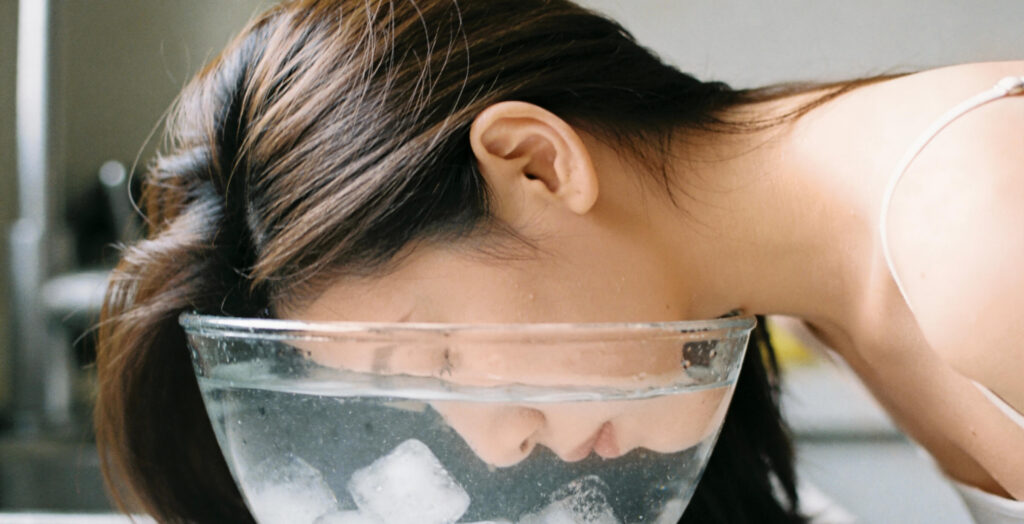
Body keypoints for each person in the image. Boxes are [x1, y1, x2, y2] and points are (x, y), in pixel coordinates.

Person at [93, 0, 1023, 522]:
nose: (497, 441)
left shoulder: (975, 234)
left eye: (439, 358)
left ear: (535, 162)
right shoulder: (838, 272)